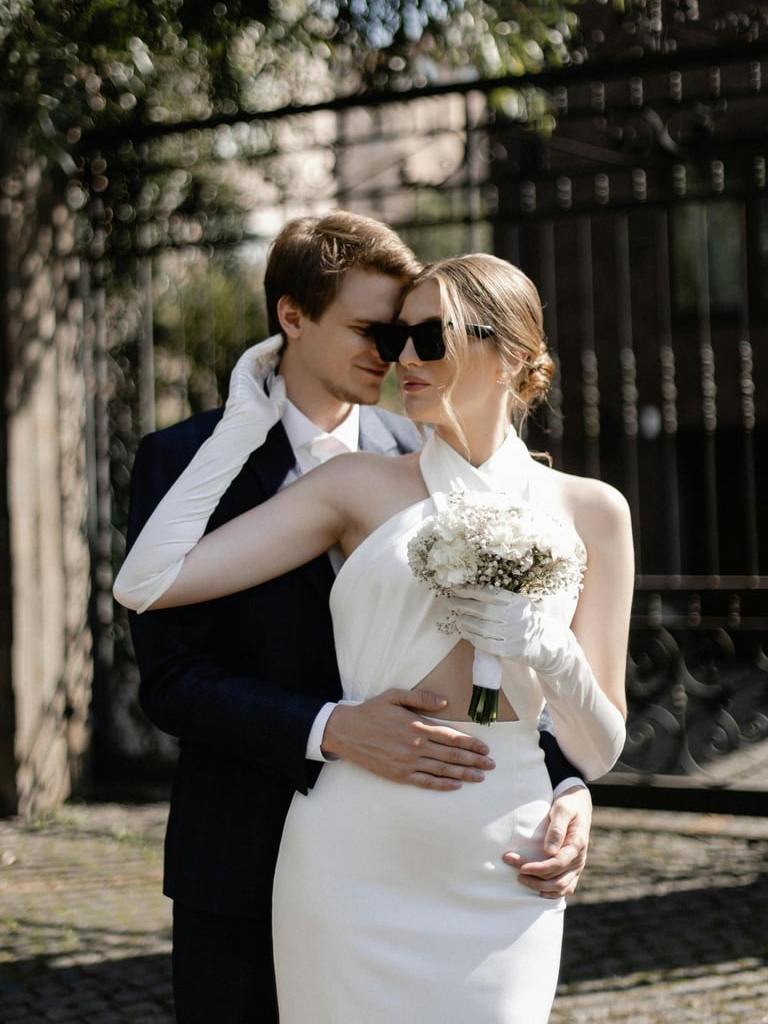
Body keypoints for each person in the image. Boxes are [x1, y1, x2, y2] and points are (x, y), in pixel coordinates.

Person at [123, 223, 597, 1021]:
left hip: (439, 843)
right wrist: (331, 728)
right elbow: (170, 679)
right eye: (372, 330)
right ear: (292, 317)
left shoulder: (425, 444)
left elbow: (494, 647)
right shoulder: (184, 458)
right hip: (245, 842)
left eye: (410, 333)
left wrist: (565, 780)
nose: (394, 353)